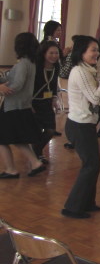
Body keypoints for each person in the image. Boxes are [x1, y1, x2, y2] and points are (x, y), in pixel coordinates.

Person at [62, 36, 100, 218]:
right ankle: (72, 207)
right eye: (93, 50)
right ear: (82, 52)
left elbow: (98, 96)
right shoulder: (80, 71)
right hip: (79, 125)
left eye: (97, 49)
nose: (97, 53)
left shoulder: (88, 70)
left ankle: (87, 202)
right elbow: (95, 97)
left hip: (86, 124)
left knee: (93, 165)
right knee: (91, 165)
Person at [0, 33, 46, 178]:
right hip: (20, 106)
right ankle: (35, 163)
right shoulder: (30, 63)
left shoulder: (23, 64)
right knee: (17, 139)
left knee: (2, 139)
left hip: (14, 107)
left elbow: (17, 85)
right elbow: (12, 80)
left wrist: (2, 88)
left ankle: (11, 169)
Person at [31, 40, 61, 164]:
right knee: (37, 131)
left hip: (47, 102)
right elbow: (29, 86)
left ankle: (36, 151)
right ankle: (37, 154)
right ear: (44, 53)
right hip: (34, 102)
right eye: (51, 53)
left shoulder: (56, 67)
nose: (54, 56)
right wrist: (28, 103)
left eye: (56, 53)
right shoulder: (36, 67)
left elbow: (53, 84)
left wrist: (54, 98)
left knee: (50, 131)